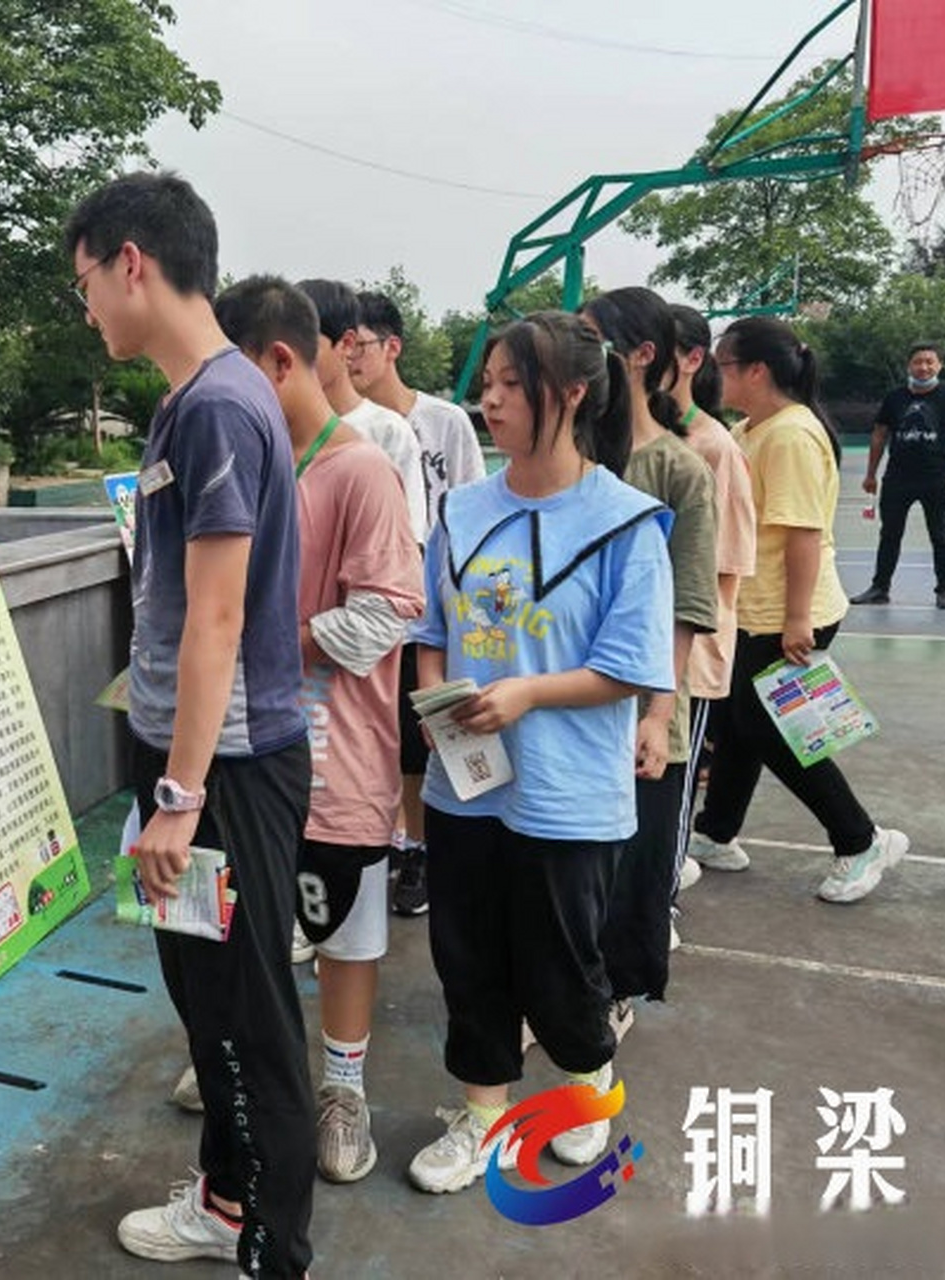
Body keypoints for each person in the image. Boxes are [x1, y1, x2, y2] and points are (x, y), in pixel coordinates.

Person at [65, 174, 315, 1279]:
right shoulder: (196, 397)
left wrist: (179, 794)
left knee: (246, 1020)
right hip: (200, 756)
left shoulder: (216, 402)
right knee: (208, 1003)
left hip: (227, 770)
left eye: (84, 285)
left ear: (132, 262)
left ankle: (274, 1245)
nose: (86, 311)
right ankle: (225, 1199)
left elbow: (217, 614)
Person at [404, 311, 674, 1194]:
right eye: (486, 382)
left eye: (509, 385)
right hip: (465, 785)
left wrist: (521, 693)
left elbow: (627, 667)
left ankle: (584, 1088)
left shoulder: (625, 523)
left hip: (564, 789)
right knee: (467, 956)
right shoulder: (463, 507)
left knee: (562, 964)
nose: (488, 399)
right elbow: (435, 628)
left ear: (569, 393)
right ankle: (480, 1112)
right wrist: (442, 696)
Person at [216, 276, 425, 1185]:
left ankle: (343, 1089)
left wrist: (270, 641)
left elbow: (387, 611)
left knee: (344, 926)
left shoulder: (359, 468)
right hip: (247, 747)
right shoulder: (249, 461)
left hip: (337, 747)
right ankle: (248, 1056)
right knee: (249, 915)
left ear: (280, 361)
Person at [689, 317, 909, 901]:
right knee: (738, 722)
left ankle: (860, 840)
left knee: (772, 729)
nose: (717, 373)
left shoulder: (791, 434)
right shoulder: (751, 428)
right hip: (754, 607)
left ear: (756, 371)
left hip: (789, 610)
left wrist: (795, 621)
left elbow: (803, 534)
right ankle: (717, 830)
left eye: (724, 364)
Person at [582, 288, 716, 1028]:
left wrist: (659, 715)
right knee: (563, 863)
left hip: (638, 708)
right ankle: (561, 987)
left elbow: (686, 606)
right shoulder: (569, 459)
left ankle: (610, 1000)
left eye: (589, 339)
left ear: (639, 357)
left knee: (631, 863)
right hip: (564, 698)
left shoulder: (678, 470)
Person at [344, 291, 488, 917]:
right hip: (364, 607)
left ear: (391, 347)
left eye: (360, 346)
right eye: (340, 345)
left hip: (429, 604)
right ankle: (393, 845)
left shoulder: (444, 422)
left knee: (424, 732)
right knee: (376, 738)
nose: (349, 357)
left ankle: (426, 848)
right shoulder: (340, 425)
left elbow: (470, 506)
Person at [668, 304, 756, 892]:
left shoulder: (713, 446)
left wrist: (691, 646)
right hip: (636, 650)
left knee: (674, 786)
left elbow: (724, 569)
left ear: (689, 360)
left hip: (688, 653)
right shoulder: (631, 439)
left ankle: (664, 893)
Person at [293, 278, 427, 542]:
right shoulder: (281, 428)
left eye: (307, 344)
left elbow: (406, 539)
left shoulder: (389, 431)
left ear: (345, 343)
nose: (295, 359)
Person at [850, 342, 945, 610]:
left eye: (929, 362)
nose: (923, 367)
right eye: (918, 362)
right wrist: (870, 474)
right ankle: (880, 588)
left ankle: (944, 590)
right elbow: (879, 434)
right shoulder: (895, 397)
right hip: (897, 478)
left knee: (941, 534)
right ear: (909, 366)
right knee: (889, 534)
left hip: (938, 477)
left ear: (939, 365)